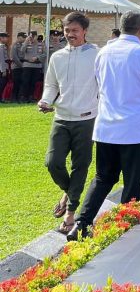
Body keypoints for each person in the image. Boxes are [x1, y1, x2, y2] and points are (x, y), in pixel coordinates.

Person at [66, 11, 140, 242]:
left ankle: (81, 223)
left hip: (106, 128)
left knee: (103, 178)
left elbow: (98, 87)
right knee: (133, 184)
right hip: (135, 130)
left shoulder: (103, 52)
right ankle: (124, 233)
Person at [38, 13, 99, 235]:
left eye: (74, 30)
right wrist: (46, 100)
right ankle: (69, 191)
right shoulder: (57, 57)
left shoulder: (96, 55)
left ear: (84, 31)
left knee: (80, 166)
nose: (70, 34)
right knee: (52, 162)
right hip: (61, 119)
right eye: (67, 30)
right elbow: (52, 85)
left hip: (87, 119)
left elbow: (103, 85)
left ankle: (70, 214)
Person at [20, 30, 46, 102]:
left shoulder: (41, 44)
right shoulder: (26, 44)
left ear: (36, 36)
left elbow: (44, 54)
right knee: (25, 81)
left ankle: (31, 96)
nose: (31, 38)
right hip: (27, 65)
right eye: (30, 37)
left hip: (37, 66)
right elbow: (22, 51)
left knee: (33, 82)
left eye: (33, 37)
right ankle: (23, 97)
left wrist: (37, 57)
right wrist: (26, 41)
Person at [10, 32, 26, 102]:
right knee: (16, 83)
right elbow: (14, 57)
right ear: (19, 37)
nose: (25, 39)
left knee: (21, 83)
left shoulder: (23, 45)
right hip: (16, 67)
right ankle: (13, 98)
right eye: (24, 37)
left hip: (22, 66)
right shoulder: (14, 45)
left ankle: (19, 97)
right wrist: (21, 65)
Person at [0, 32, 8, 101]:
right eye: (6, 37)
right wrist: (3, 70)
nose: (7, 39)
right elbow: (1, 59)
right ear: (1, 38)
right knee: (2, 83)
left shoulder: (3, 46)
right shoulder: (1, 46)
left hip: (4, 67)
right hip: (2, 69)